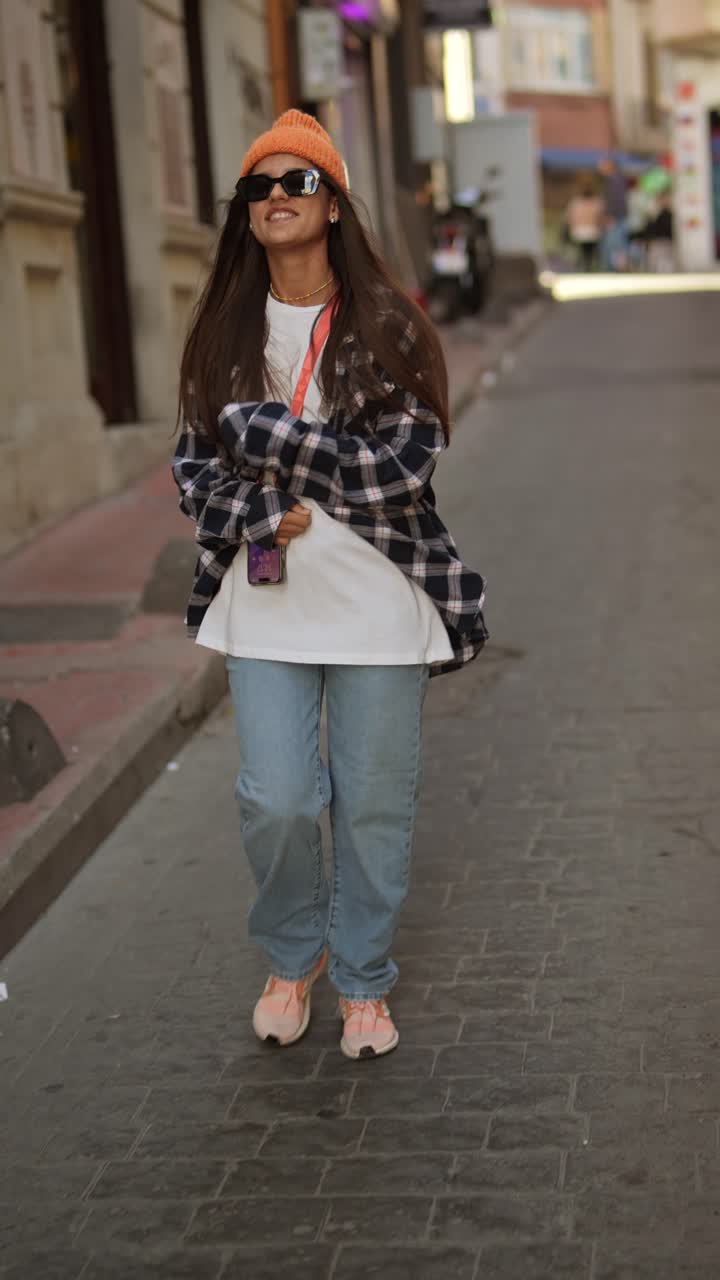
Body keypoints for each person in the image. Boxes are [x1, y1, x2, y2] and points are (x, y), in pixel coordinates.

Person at [173, 111, 487, 1060]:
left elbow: (399, 470)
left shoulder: (388, 323)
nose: (275, 197)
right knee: (274, 796)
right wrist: (257, 511)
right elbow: (195, 469)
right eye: (258, 188)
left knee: (375, 802)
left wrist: (265, 440)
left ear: (333, 202)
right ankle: (292, 954)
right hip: (265, 599)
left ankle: (363, 977)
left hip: (380, 603)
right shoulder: (224, 331)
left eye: (295, 182)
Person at [565, 181, 604, 271]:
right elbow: (600, 218)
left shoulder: (575, 203)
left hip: (579, 232)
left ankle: (583, 266)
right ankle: (588, 266)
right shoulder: (597, 202)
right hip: (593, 232)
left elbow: (570, 218)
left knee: (583, 252)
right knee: (590, 252)